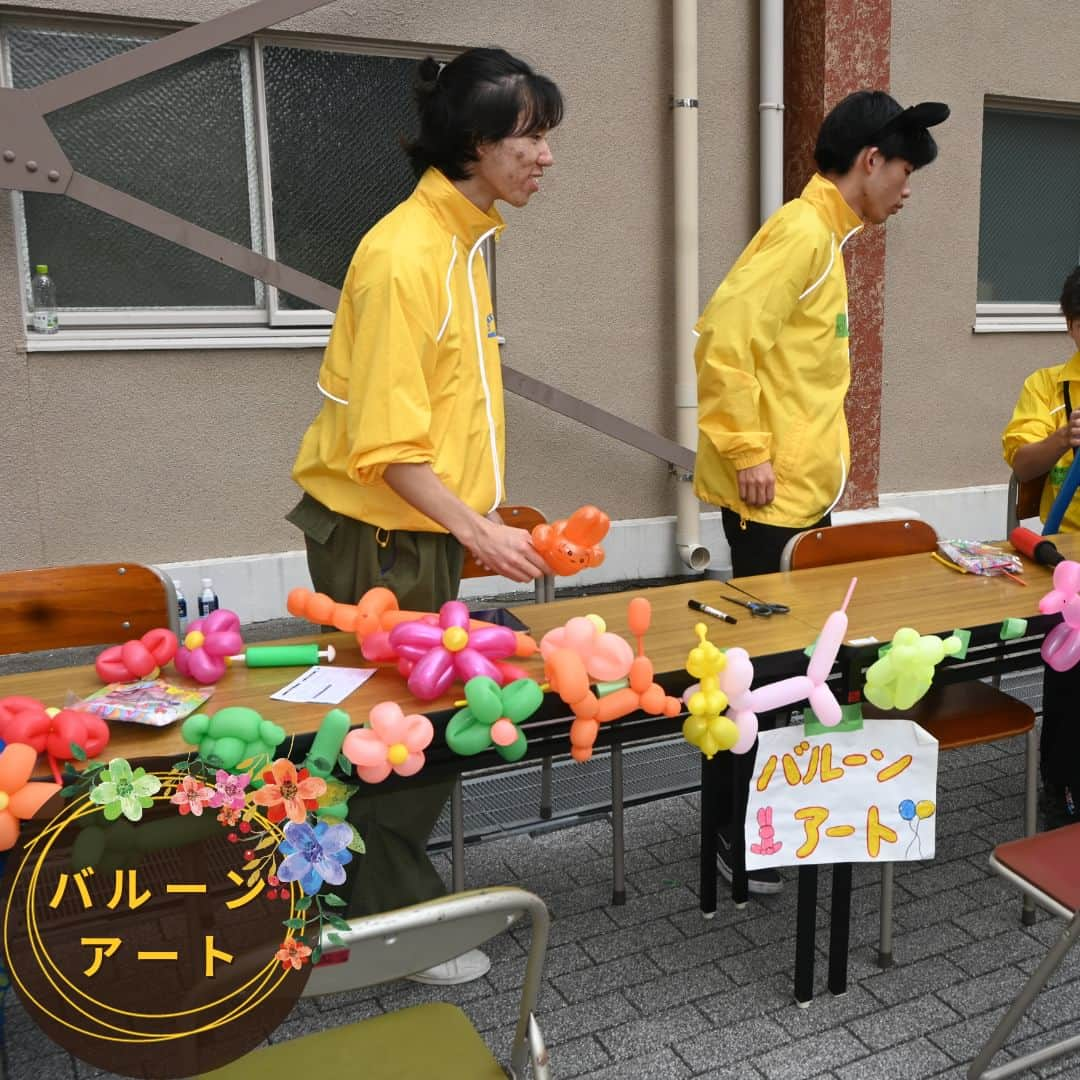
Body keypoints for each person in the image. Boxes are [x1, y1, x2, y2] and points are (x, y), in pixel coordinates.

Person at [287, 47, 561, 982]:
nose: (546, 156)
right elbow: (390, 448)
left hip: (416, 539)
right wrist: (483, 531)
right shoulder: (405, 256)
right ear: (477, 144)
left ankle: (360, 910)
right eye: (531, 135)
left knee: (413, 737)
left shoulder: (458, 240)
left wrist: (475, 526)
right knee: (394, 743)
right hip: (382, 544)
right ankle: (382, 927)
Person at [694, 90, 948, 892]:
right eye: (904, 170)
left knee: (796, 672)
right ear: (870, 160)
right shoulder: (802, 234)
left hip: (799, 496)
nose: (907, 190)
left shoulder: (827, 238)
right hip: (769, 497)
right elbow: (723, 340)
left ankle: (770, 822)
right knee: (759, 681)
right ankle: (736, 841)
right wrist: (746, 449)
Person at [1002, 265, 1080, 830]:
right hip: (1067, 551)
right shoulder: (1048, 386)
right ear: (1072, 327)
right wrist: (1062, 438)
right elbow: (1022, 464)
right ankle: (1063, 780)